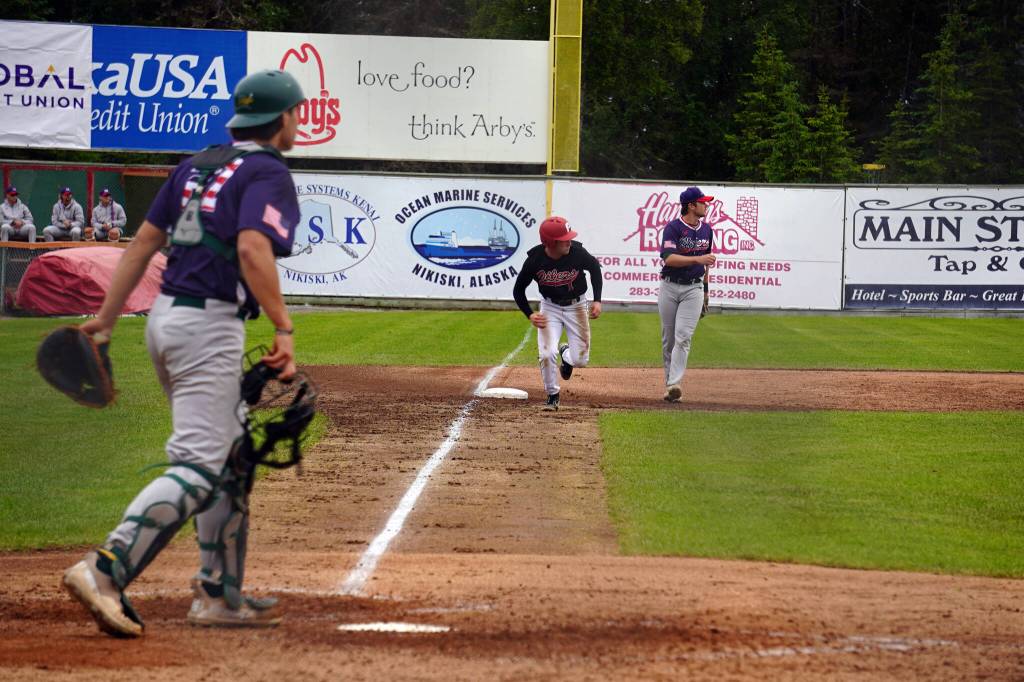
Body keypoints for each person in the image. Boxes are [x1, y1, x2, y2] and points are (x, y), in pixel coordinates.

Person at [62, 68, 306, 638]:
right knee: (200, 464)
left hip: (167, 319)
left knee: (233, 456)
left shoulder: (197, 165)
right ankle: (106, 568)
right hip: (207, 326)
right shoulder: (268, 171)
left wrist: (104, 319)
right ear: (283, 119)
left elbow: (143, 244)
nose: (299, 121)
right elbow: (251, 248)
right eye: (297, 112)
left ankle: (218, 594)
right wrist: (283, 327)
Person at [512, 216, 603, 411]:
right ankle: (552, 395)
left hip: (577, 306)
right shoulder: (535, 260)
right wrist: (529, 314)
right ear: (551, 242)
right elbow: (518, 290)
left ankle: (566, 353)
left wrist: (597, 300)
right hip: (550, 307)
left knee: (581, 361)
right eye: (564, 239)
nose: (569, 241)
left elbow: (595, 268)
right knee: (546, 353)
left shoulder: (577, 252)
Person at [658, 186, 716, 403]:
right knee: (669, 340)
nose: (706, 205)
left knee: (684, 337)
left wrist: (706, 290)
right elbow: (669, 258)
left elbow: (707, 262)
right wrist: (697, 259)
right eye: (702, 202)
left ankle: (674, 384)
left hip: (694, 288)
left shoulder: (707, 230)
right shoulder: (673, 228)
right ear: (691, 205)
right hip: (670, 287)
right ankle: (669, 384)